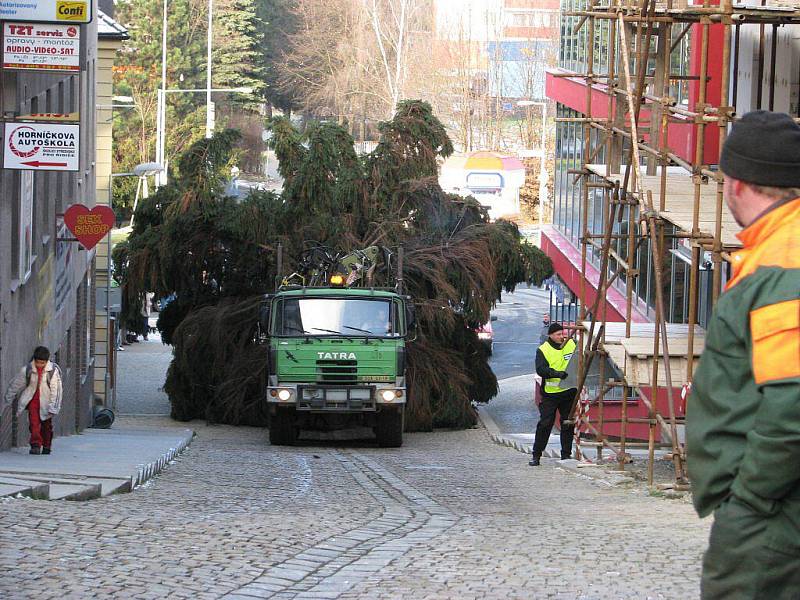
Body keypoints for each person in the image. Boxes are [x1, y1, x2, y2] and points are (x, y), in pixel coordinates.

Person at [686, 110, 800, 599]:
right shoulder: (775, 249)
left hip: (771, 521)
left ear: (735, 183)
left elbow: (791, 404)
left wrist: (750, 499)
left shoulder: (782, 263)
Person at [529, 322, 577, 466]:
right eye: (558, 334)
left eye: (562, 333)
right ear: (550, 335)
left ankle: (566, 455)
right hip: (550, 394)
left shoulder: (572, 344)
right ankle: (536, 455)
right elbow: (541, 370)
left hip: (569, 392)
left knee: (567, 424)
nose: (561, 336)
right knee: (545, 424)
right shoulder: (543, 350)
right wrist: (556, 374)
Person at [2, 346, 63, 455]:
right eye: (38, 362)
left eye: (42, 363)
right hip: (33, 401)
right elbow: (16, 384)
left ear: (47, 361)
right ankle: (35, 444)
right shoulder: (28, 370)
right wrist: (9, 397)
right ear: (34, 360)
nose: (40, 365)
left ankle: (47, 445)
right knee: (34, 424)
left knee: (46, 426)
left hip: (46, 402)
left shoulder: (52, 371)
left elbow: (56, 390)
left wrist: (53, 406)